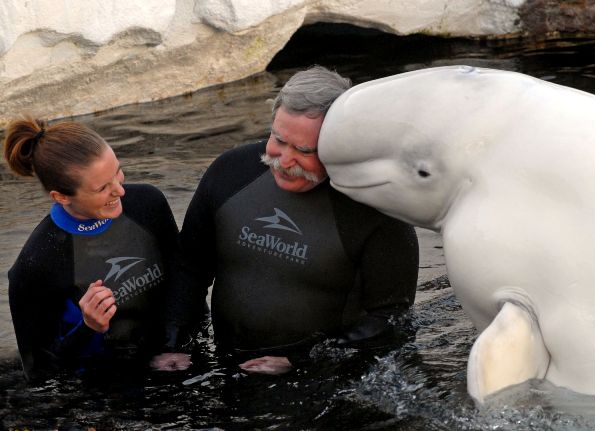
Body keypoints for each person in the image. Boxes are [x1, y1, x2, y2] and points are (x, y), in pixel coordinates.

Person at [159, 66, 419, 374]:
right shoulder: (231, 173)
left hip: (322, 381)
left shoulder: (377, 211)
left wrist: (302, 362)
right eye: (279, 140)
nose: (284, 161)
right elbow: (190, 267)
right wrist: (173, 343)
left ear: (339, 145)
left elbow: (391, 320)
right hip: (228, 365)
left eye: (304, 150)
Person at [4, 116, 181, 381]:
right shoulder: (36, 263)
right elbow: (40, 371)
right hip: (102, 388)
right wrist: (88, 327)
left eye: (118, 173)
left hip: (173, 361)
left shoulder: (147, 204)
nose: (119, 190)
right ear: (61, 196)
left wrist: (179, 346)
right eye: (102, 188)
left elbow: (184, 283)